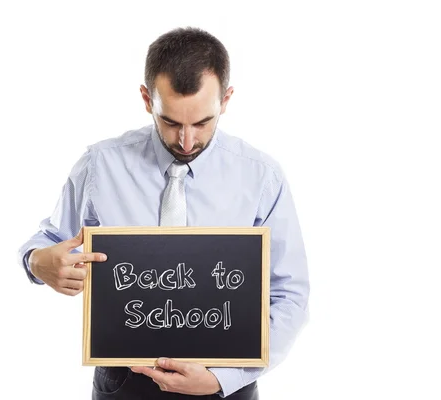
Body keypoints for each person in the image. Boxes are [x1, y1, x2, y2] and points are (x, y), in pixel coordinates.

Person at [17, 26, 310, 399]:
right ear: (146, 98)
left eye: (202, 122)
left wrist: (225, 376)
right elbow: (48, 241)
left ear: (226, 99)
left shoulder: (261, 177)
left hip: (224, 383)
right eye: (170, 122)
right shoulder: (100, 165)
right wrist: (36, 262)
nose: (186, 141)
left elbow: (290, 294)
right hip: (125, 381)